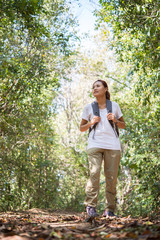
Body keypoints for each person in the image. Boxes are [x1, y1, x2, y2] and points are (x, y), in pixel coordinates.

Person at [80, 80, 125, 218]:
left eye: (98, 86)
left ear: (105, 89)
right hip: (94, 144)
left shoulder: (115, 106)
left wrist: (116, 121)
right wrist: (91, 122)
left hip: (113, 146)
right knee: (94, 174)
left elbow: (123, 125)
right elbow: (81, 128)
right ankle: (91, 207)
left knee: (111, 179)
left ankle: (109, 210)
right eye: (93, 87)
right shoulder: (88, 107)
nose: (94, 88)